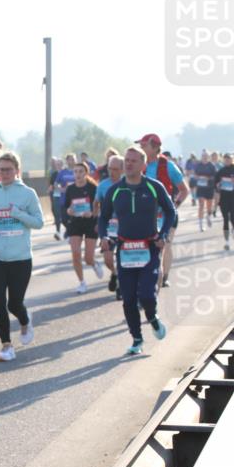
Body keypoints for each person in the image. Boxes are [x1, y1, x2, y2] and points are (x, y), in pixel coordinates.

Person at [99, 146, 175, 355]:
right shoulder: (115, 191)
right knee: (129, 298)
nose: (129, 164)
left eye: (133, 161)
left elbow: (170, 211)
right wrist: (104, 236)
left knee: (147, 296)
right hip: (125, 250)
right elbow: (103, 217)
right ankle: (137, 339)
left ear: (143, 165)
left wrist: (163, 234)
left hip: (149, 248)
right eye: (127, 161)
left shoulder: (154, 187)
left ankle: (152, 317)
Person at [0, 152, 44, 362]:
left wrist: (18, 214)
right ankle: (6, 345)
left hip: (21, 258)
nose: (4, 173)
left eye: (8, 169)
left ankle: (25, 320)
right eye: (1, 169)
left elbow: (39, 222)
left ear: (16, 170)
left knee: (14, 304)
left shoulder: (28, 193)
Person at [137, 133, 188, 289]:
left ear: (154, 147)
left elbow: (184, 190)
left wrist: (173, 206)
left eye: (144, 145)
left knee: (164, 246)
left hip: (166, 216)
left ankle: (163, 276)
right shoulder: (139, 165)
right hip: (145, 216)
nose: (141, 148)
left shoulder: (168, 166)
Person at [64, 161, 104, 294]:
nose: (78, 174)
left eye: (81, 171)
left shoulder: (93, 188)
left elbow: (100, 207)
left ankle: (94, 263)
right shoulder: (70, 189)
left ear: (86, 173)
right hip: (75, 223)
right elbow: (66, 207)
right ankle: (82, 282)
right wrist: (69, 210)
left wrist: (92, 213)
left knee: (87, 258)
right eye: (75, 171)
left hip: (90, 223)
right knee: (75, 254)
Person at [96, 155, 125, 299]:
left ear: (122, 170)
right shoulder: (102, 185)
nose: (111, 172)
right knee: (108, 259)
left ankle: (121, 285)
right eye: (109, 168)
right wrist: (96, 221)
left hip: (125, 227)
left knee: (122, 258)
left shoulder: (127, 184)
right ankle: (115, 273)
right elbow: (97, 203)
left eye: (115, 169)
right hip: (109, 227)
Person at [214, 152, 234, 250]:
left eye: (229, 159)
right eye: (226, 159)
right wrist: (215, 205)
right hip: (223, 199)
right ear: (223, 160)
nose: (227, 160)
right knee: (225, 220)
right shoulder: (220, 172)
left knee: (233, 219)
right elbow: (216, 188)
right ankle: (227, 242)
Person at [193, 152, 217, 232]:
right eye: (203, 156)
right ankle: (200, 225)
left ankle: (208, 217)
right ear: (201, 157)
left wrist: (208, 178)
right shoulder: (198, 165)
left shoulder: (211, 166)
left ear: (208, 157)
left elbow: (215, 176)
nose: (205, 157)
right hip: (200, 188)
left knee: (209, 206)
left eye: (206, 156)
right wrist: (197, 177)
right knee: (201, 205)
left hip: (209, 188)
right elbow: (194, 175)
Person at [47, 157, 65, 239]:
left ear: (62, 165)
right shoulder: (54, 174)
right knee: (57, 214)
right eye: (57, 164)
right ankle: (58, 232)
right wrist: (50, 190)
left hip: (66, 197)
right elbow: (51, 186)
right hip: (56, 196)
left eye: (60, 164)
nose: (58, 166)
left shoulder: (66, 173)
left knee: (65, 215)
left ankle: (70, 231)